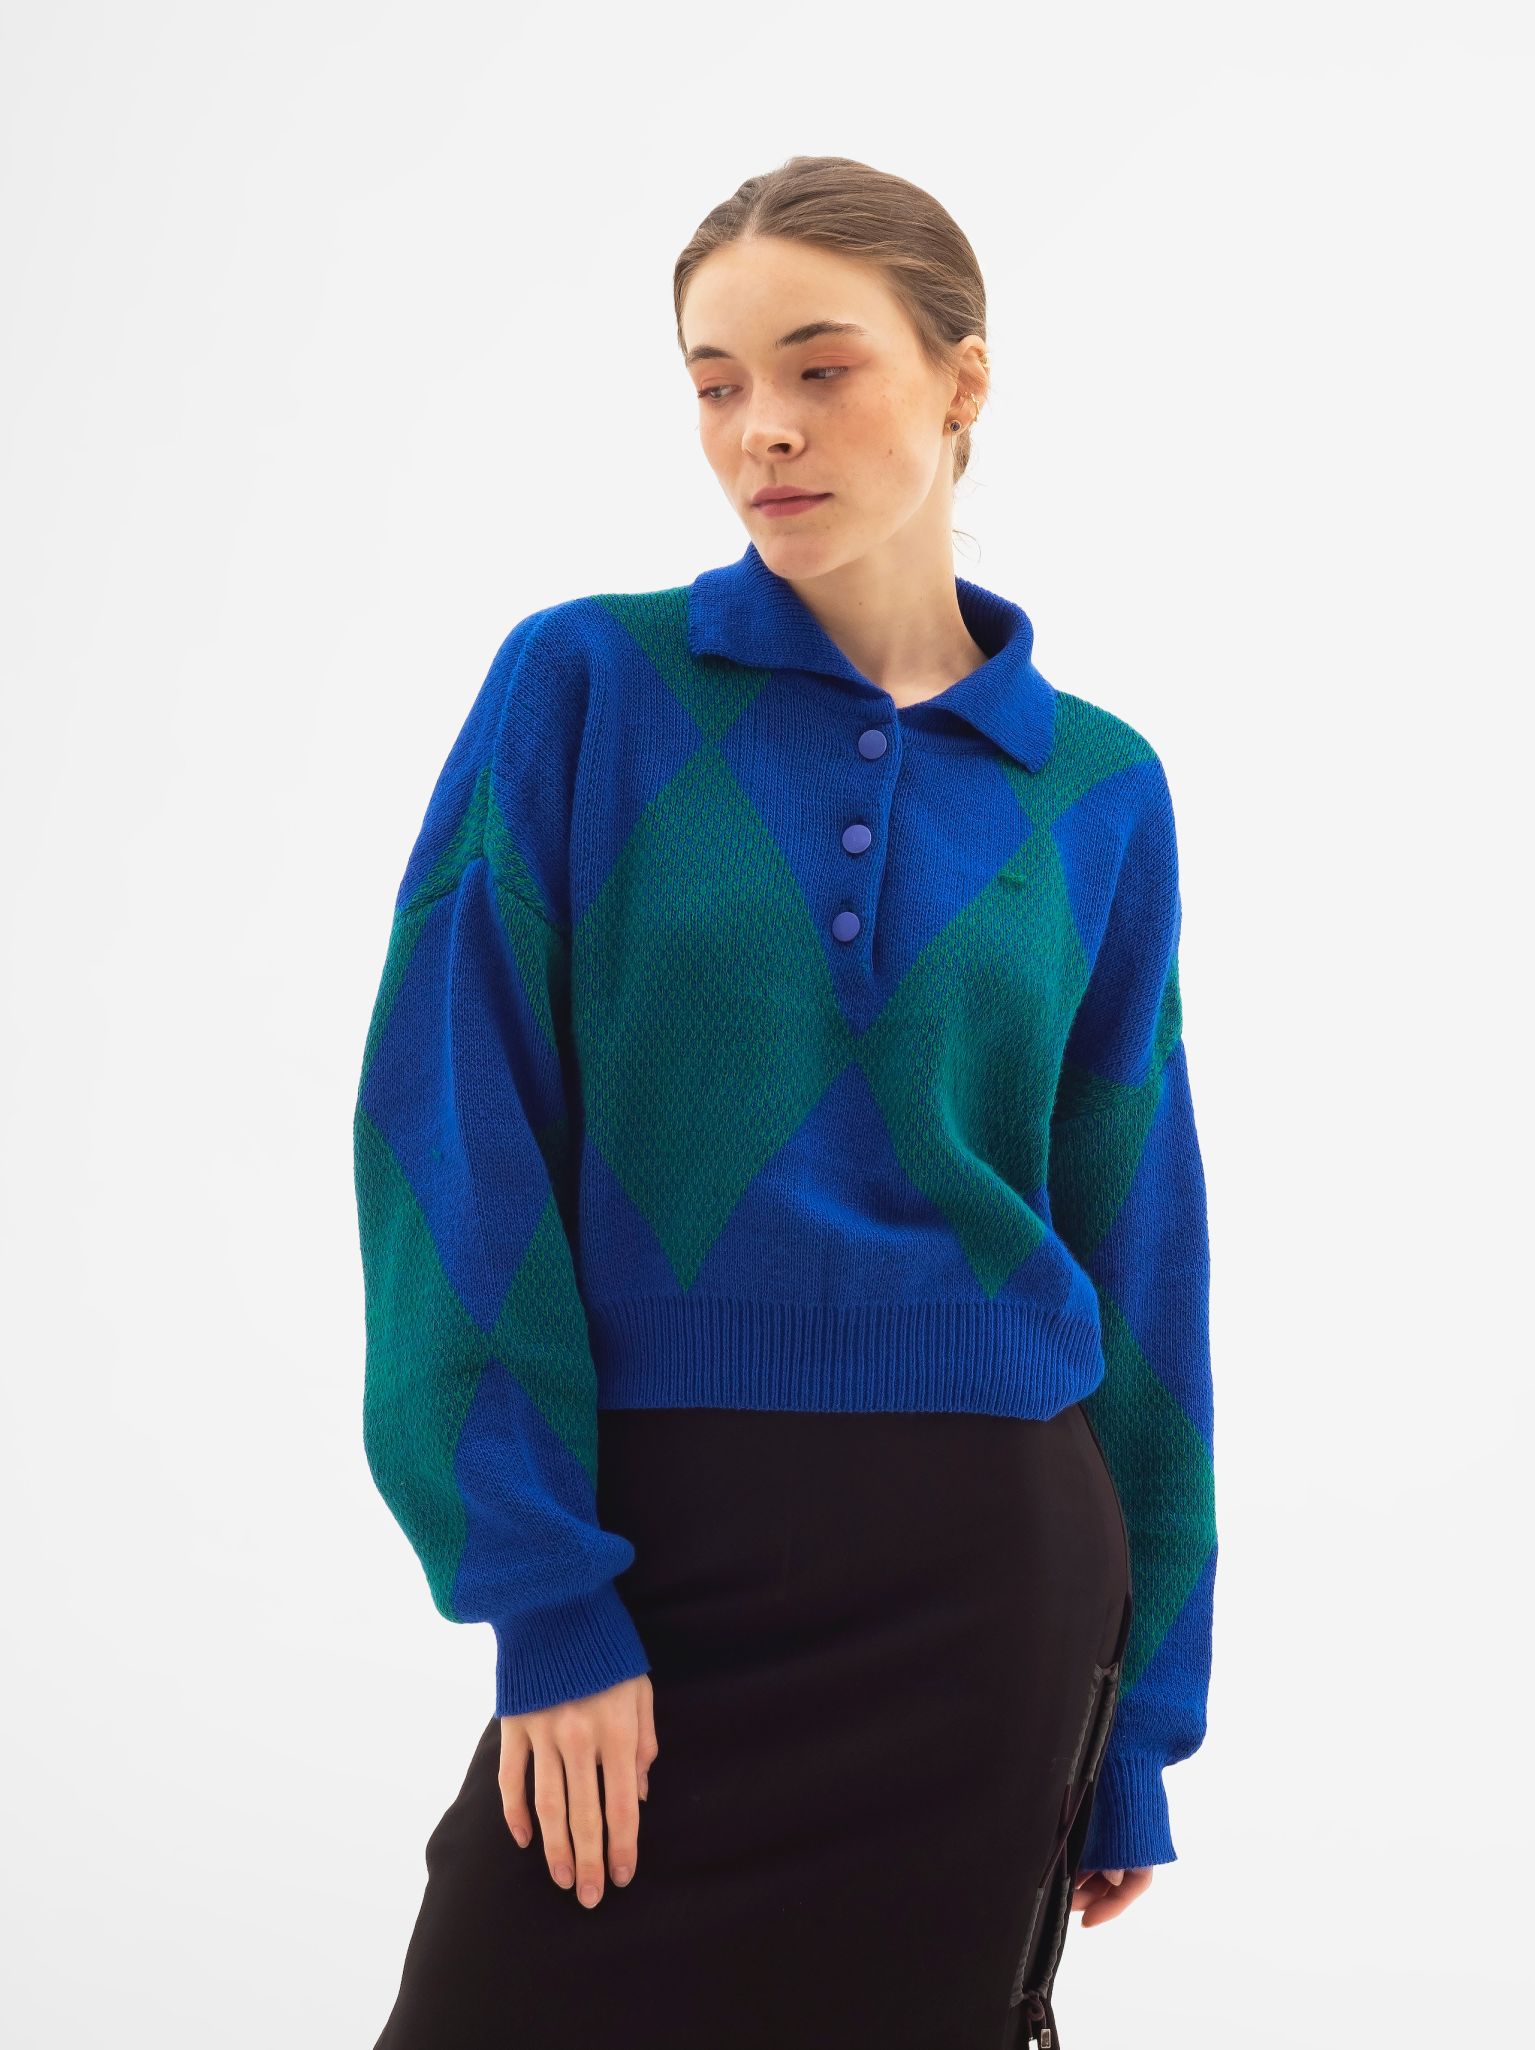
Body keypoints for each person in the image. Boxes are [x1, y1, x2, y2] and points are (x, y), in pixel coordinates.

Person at [352, 153, 1217, 2050]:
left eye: (822, 369)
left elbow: (1140, 1240)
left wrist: (1142, 1712)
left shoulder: (1097, 787)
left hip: (985, 1587)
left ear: (963, 382)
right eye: (717, 381)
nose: (763, 429)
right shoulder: (588, 684)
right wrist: (545, 1594)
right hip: (649, 1548)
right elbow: (449, 1137)